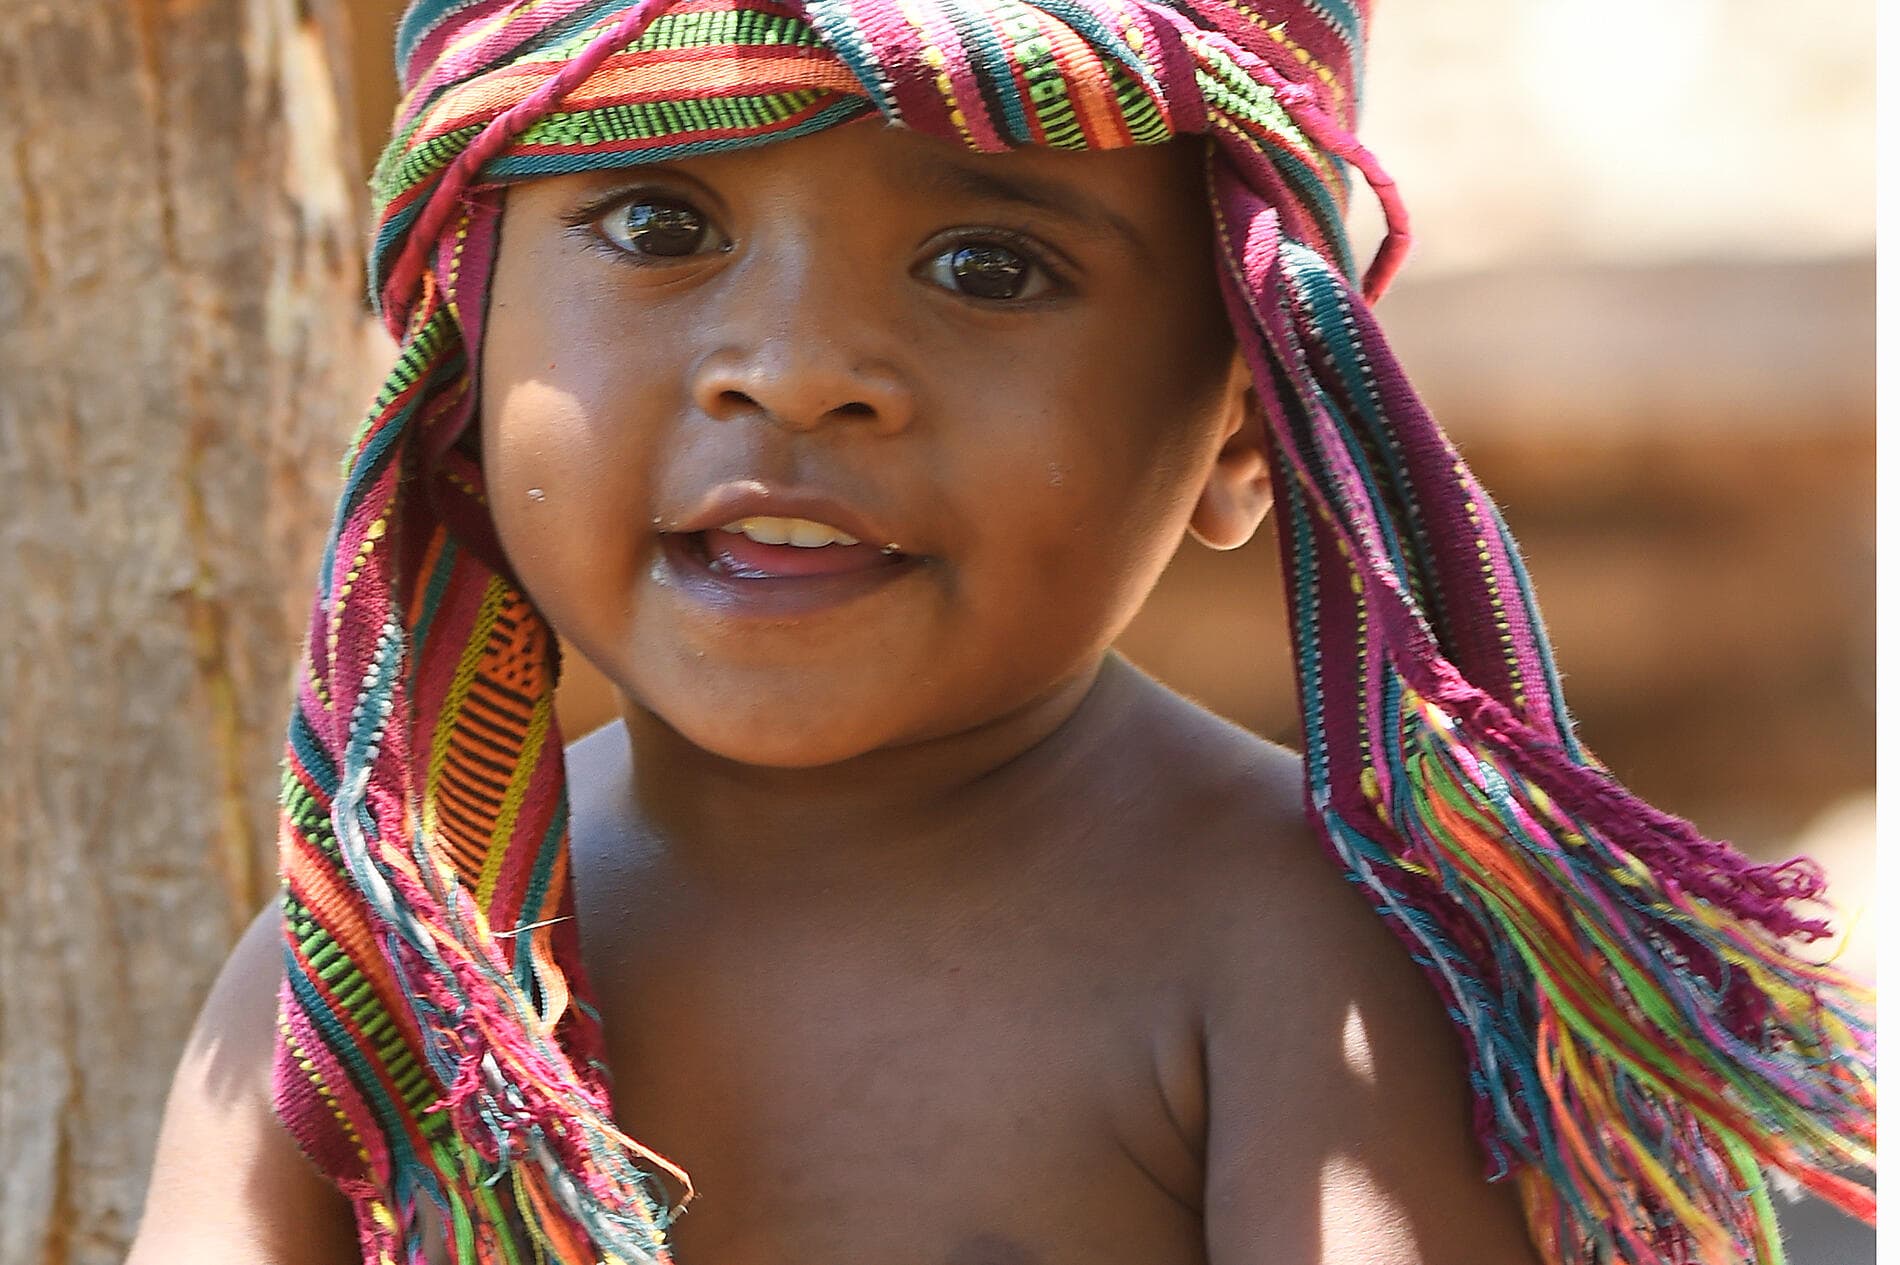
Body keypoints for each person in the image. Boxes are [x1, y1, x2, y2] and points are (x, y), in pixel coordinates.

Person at [126, 0, 1875, 1262]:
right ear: (460, 337)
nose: (797, 364)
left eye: (988, 266)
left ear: (1245, 422)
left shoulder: (1296, 951)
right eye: (658, 224)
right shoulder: (375, 968)